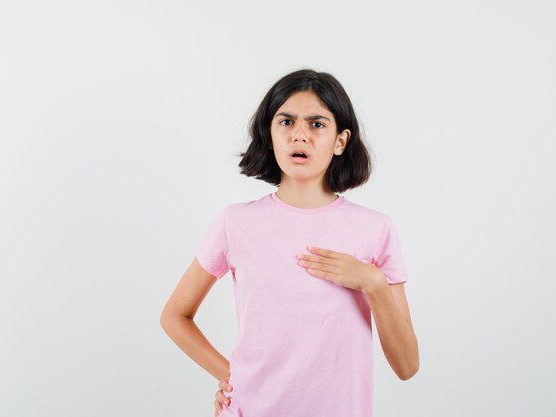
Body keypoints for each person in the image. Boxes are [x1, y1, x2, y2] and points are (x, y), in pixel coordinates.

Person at [160, 68, 419, 417]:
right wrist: (232, 377)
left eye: (316, 124)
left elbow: (407, 366)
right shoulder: (234, 223)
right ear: (269, 135)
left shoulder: (375, 229)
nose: (300, 135)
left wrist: (372, 282)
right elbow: (175, 315)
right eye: (286, 122)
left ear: (341, 141)